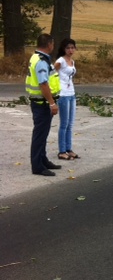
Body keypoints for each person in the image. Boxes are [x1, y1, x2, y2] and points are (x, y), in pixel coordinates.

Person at [25, 34, 62, 176]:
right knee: (40, 135)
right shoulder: (41, 61)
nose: (53, 46)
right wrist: (52, 103)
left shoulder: (36, 57)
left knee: (43, 133)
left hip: (41, 102)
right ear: (49, 44)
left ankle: (43, 159)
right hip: (42, 103)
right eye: (52, 43)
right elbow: (43, 83)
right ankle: (37, 166)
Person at [54, 38, 80, 160]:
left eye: (72, 48)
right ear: (64, 49)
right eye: (68, 48)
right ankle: (62, 151)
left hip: (71, 93)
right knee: (64, 123)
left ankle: (69, 149)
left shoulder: (72, 61)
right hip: (63, 94)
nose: (70, 50)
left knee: (70, 123)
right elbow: (52, 71)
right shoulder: (61, 61)